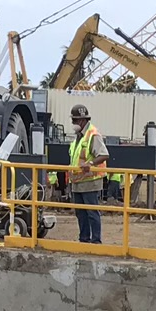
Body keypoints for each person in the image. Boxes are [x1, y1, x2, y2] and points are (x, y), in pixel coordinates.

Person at [65, 103, 110, 244]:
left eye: (75, 120)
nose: (73, 123)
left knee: (91, 212)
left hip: (90, 181)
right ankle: (84, 239)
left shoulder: (93, 134)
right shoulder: (78, 136)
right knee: (80, 213)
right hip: (78, 181)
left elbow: (104, 154)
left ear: (83, 120)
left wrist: (90, 164)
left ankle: (96, 240)